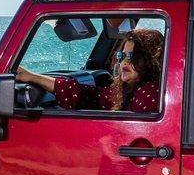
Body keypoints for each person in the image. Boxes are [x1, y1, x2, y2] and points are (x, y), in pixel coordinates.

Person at [15, 28, 163, 113]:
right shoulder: (130, 90)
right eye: (122, 55)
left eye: (131, 56)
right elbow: (92, 95)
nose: (124, 61)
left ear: (149, 60)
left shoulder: (149, 93)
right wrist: (32, 77)